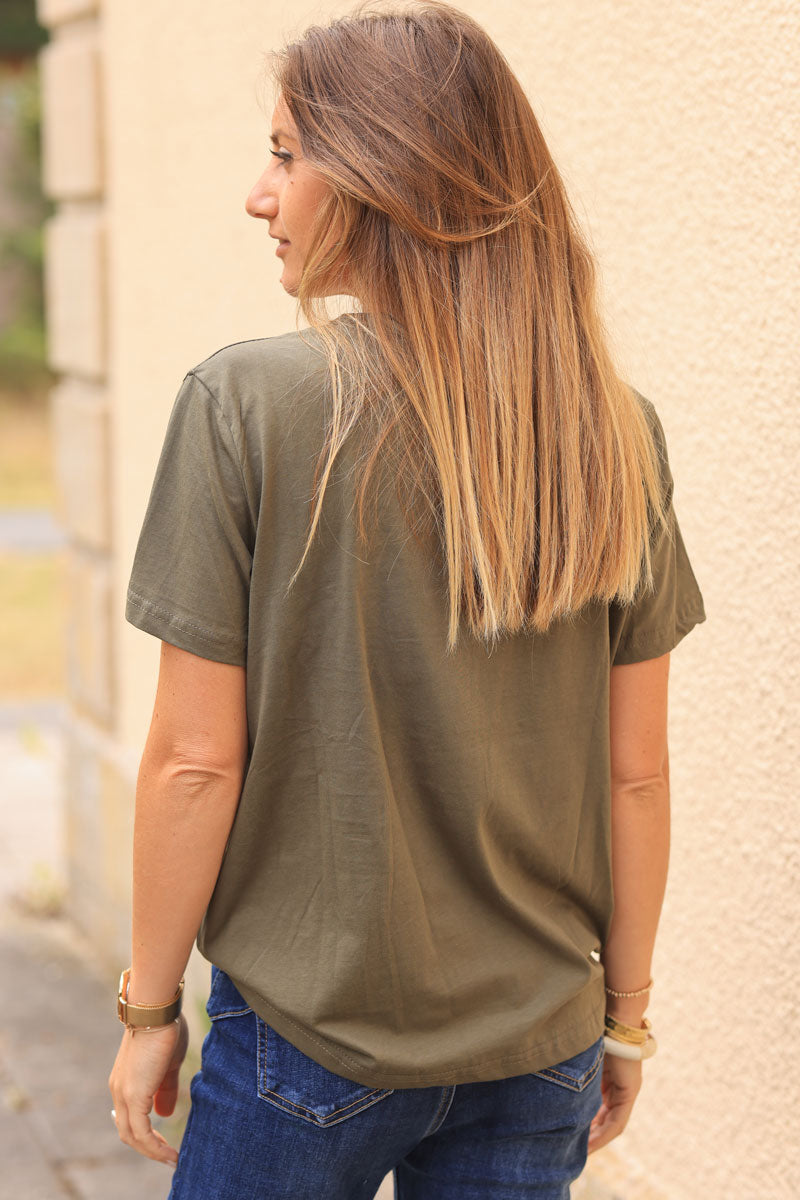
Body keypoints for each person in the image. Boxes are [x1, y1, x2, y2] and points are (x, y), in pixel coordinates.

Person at [108, 2, 707, 1196]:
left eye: (286, 154)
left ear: (384, 173)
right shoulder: (606, 430)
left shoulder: (246, 404)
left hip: (308, 1040)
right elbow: (631, 768)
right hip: (539, 1042)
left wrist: (145, 1006)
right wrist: (624, 1018)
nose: (258, 195)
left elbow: (192, 760)